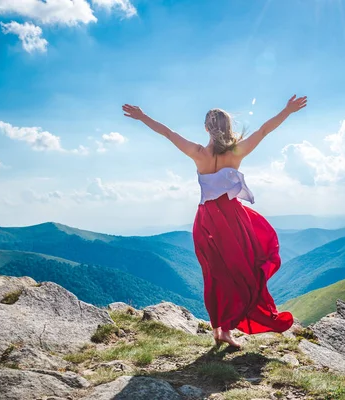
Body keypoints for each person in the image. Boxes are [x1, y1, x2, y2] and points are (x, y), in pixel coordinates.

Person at [122, 95, 307, 348]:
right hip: (232, 220)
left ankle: (220, 329)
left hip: (207, 221)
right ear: (229, 127)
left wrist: (142, 116)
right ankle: (226, 329)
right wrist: (287, 110)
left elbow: (167, 132)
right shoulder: (237, 151)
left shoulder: (198, 153)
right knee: (242, 272)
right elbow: (264, 129)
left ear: (206, 128)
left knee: (215, 276)